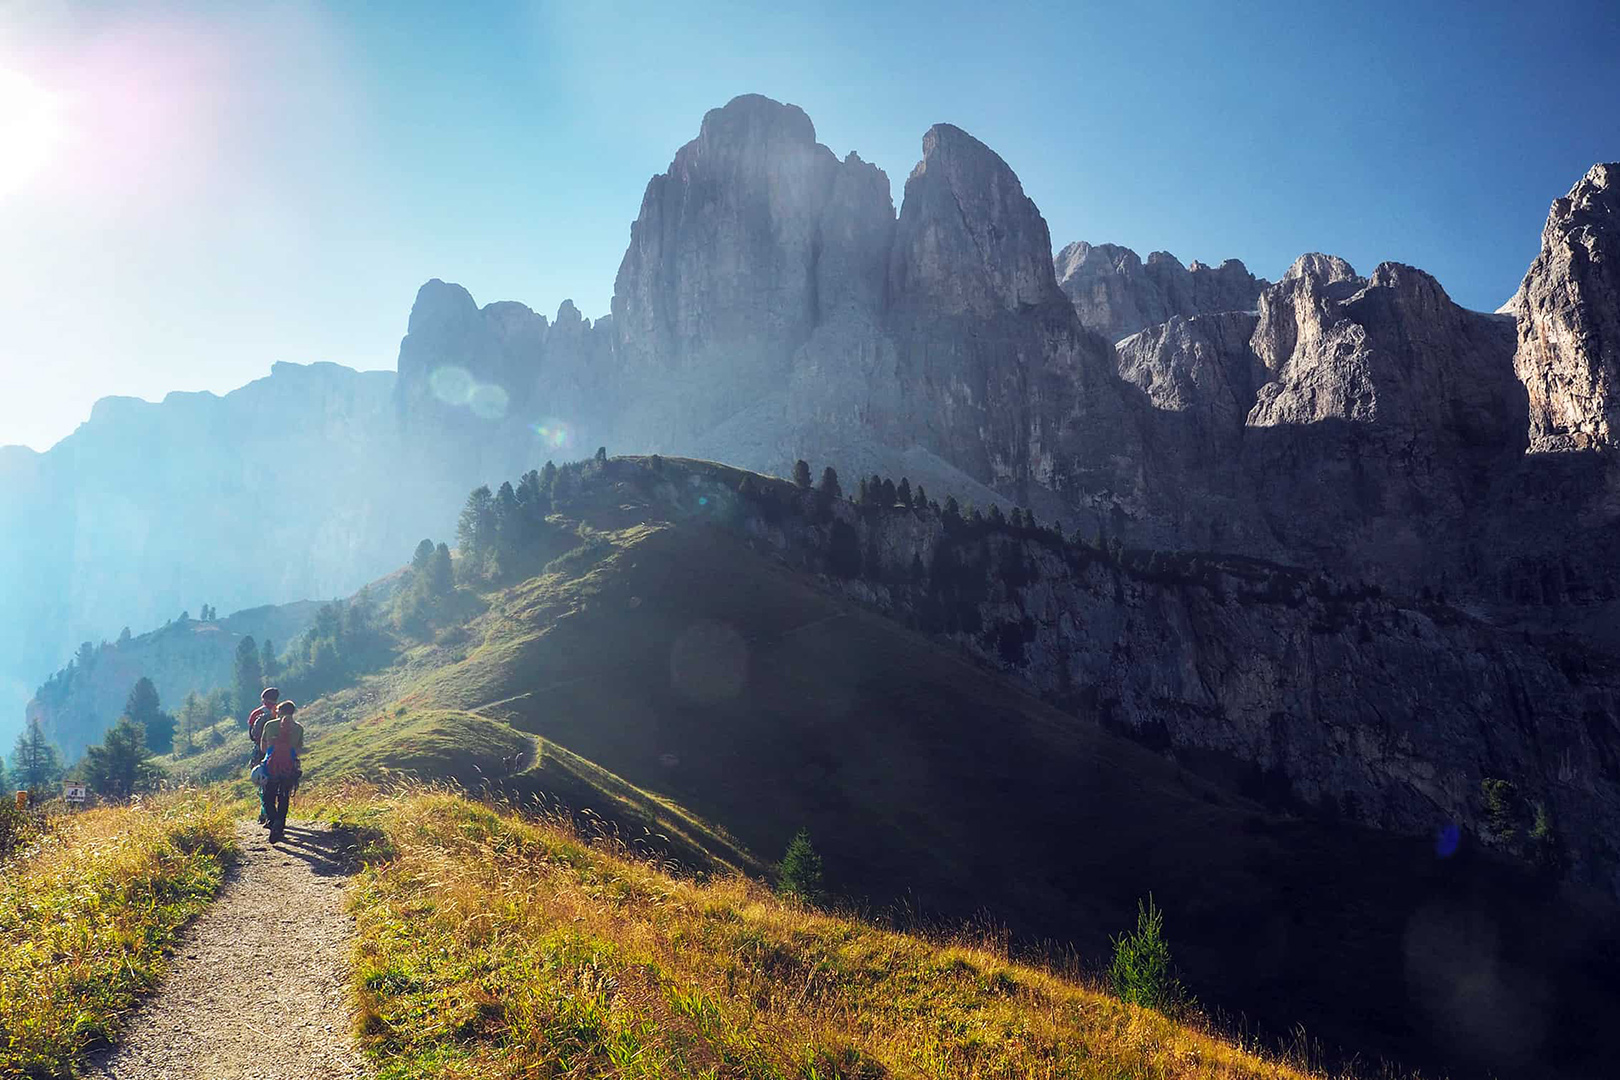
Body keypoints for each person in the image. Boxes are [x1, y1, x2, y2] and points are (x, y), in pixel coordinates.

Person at [258, 699, 304, 844]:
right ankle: (280, 825)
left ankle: (272, 820)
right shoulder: (298, 728)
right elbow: (298, 749)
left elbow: (263, 747)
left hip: (271, 766)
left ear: (278, 711)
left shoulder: (270, 725)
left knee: (267, 796)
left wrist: (272, 753)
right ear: (293, 712)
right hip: (289, 766)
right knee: (284, 796)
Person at [247, 687, 280, 825]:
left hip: (262, 751)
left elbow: (252, 735)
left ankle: (264, 813)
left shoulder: (257, 713)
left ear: (263, 699)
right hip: (280, 751)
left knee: (263, 782)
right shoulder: (282, 711)